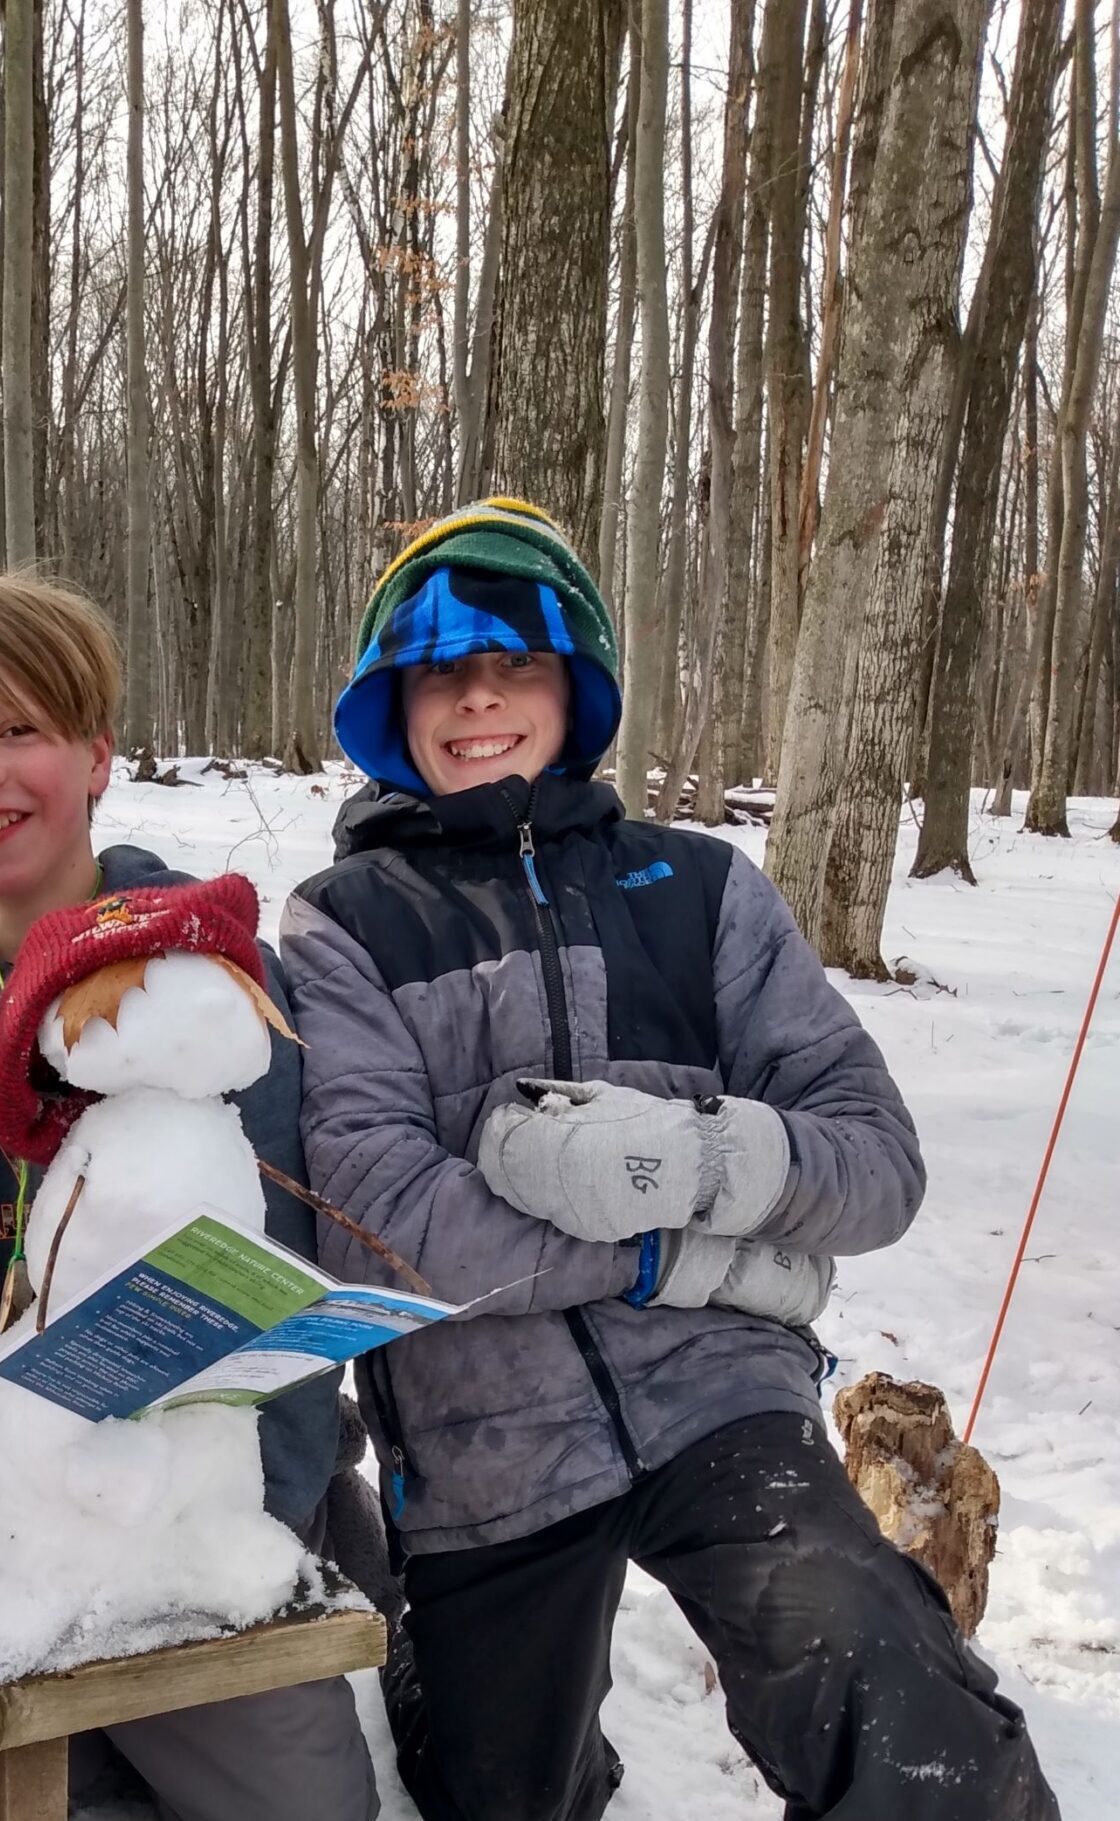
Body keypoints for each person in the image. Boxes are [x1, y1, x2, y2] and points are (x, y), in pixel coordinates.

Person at [279, 498, 1058, 1821]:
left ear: (573, 686)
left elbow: (874, 1162)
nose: (479, 699)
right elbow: (376, 1224)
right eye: (442, 674)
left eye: (514, 663)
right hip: (480, 1438)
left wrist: (704, 1161)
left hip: (720, 1401)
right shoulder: (346, 922)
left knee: (887, 1678)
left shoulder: (701, 889)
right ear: (392, 705)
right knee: (496, 1793)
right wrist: (672, 1250)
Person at [0, 572, 380, 1821]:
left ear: (97, 756)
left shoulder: (205, 991)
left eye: (21, 730)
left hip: (191, 1516)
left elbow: (281, 1290)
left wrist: (259, 1526)